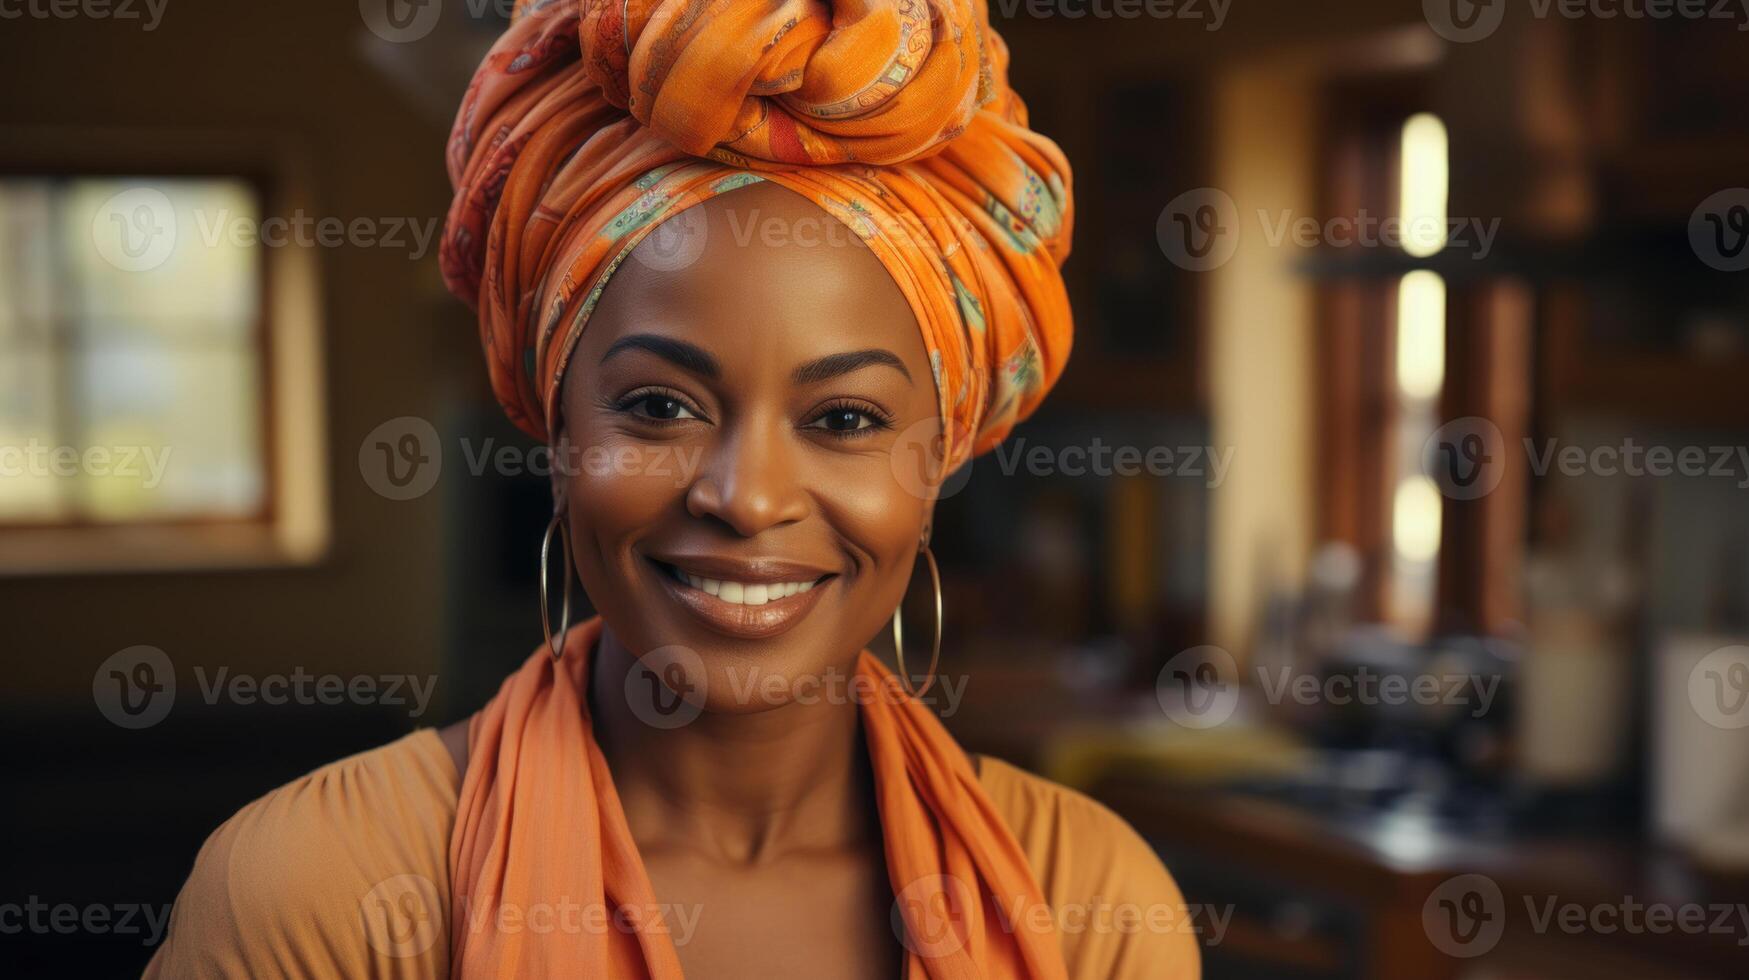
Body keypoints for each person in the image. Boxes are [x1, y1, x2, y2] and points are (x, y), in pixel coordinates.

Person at [146, 1, 1199, 976]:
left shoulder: (1091, 909)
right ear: (554, 426)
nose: (744, 498)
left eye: (844, 420)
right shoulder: (321, 896)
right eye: (659, 406)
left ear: (942, 456)